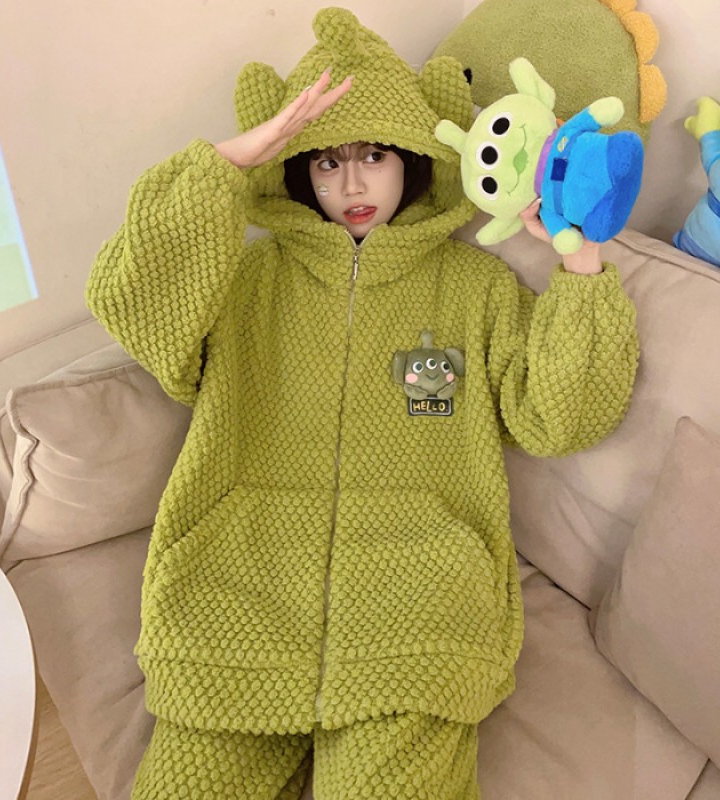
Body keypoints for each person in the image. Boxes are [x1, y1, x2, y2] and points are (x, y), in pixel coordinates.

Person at [86, 8, 638, 799]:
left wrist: (580, 263)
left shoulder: (475, 289)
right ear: (295, 170)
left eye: (374, 156)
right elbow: (131, 298)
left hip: (419, 617)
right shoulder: (245, 284)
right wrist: (226, 163)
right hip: (235, 604)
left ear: (412, 160)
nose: (350, 184)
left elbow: (561, 416)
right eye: (326, 161)